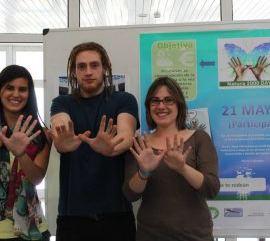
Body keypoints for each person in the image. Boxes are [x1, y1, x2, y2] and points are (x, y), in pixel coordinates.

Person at [50, 42, 140, 241]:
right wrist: (62, 140)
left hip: (117, 215)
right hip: (72, 217)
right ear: (73, 71)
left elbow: (126, 134)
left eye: (94, 65)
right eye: (81, 66)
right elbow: (60, 123)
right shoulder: (61, 102)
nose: (88, 72)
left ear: (105, 68)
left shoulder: (124, 100)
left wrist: (112, 147)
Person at [123, 76, 220, 241]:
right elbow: (130, 195)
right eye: (155, 101)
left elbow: (211, 189)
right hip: (150, 236)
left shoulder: (199, 138)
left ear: (179, 105)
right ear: (148, 107)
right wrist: (144, 172)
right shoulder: (140, 144)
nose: (161, 106)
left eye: (169, 100)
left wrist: (183, 168)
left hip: (195, 236)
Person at [0, 65, 51, 241]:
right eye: (9, 88)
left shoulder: (41, 133)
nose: (16, 94)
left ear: (29, 94)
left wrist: (21, 153)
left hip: (32, 230)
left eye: (22, 89)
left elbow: (36, 178)